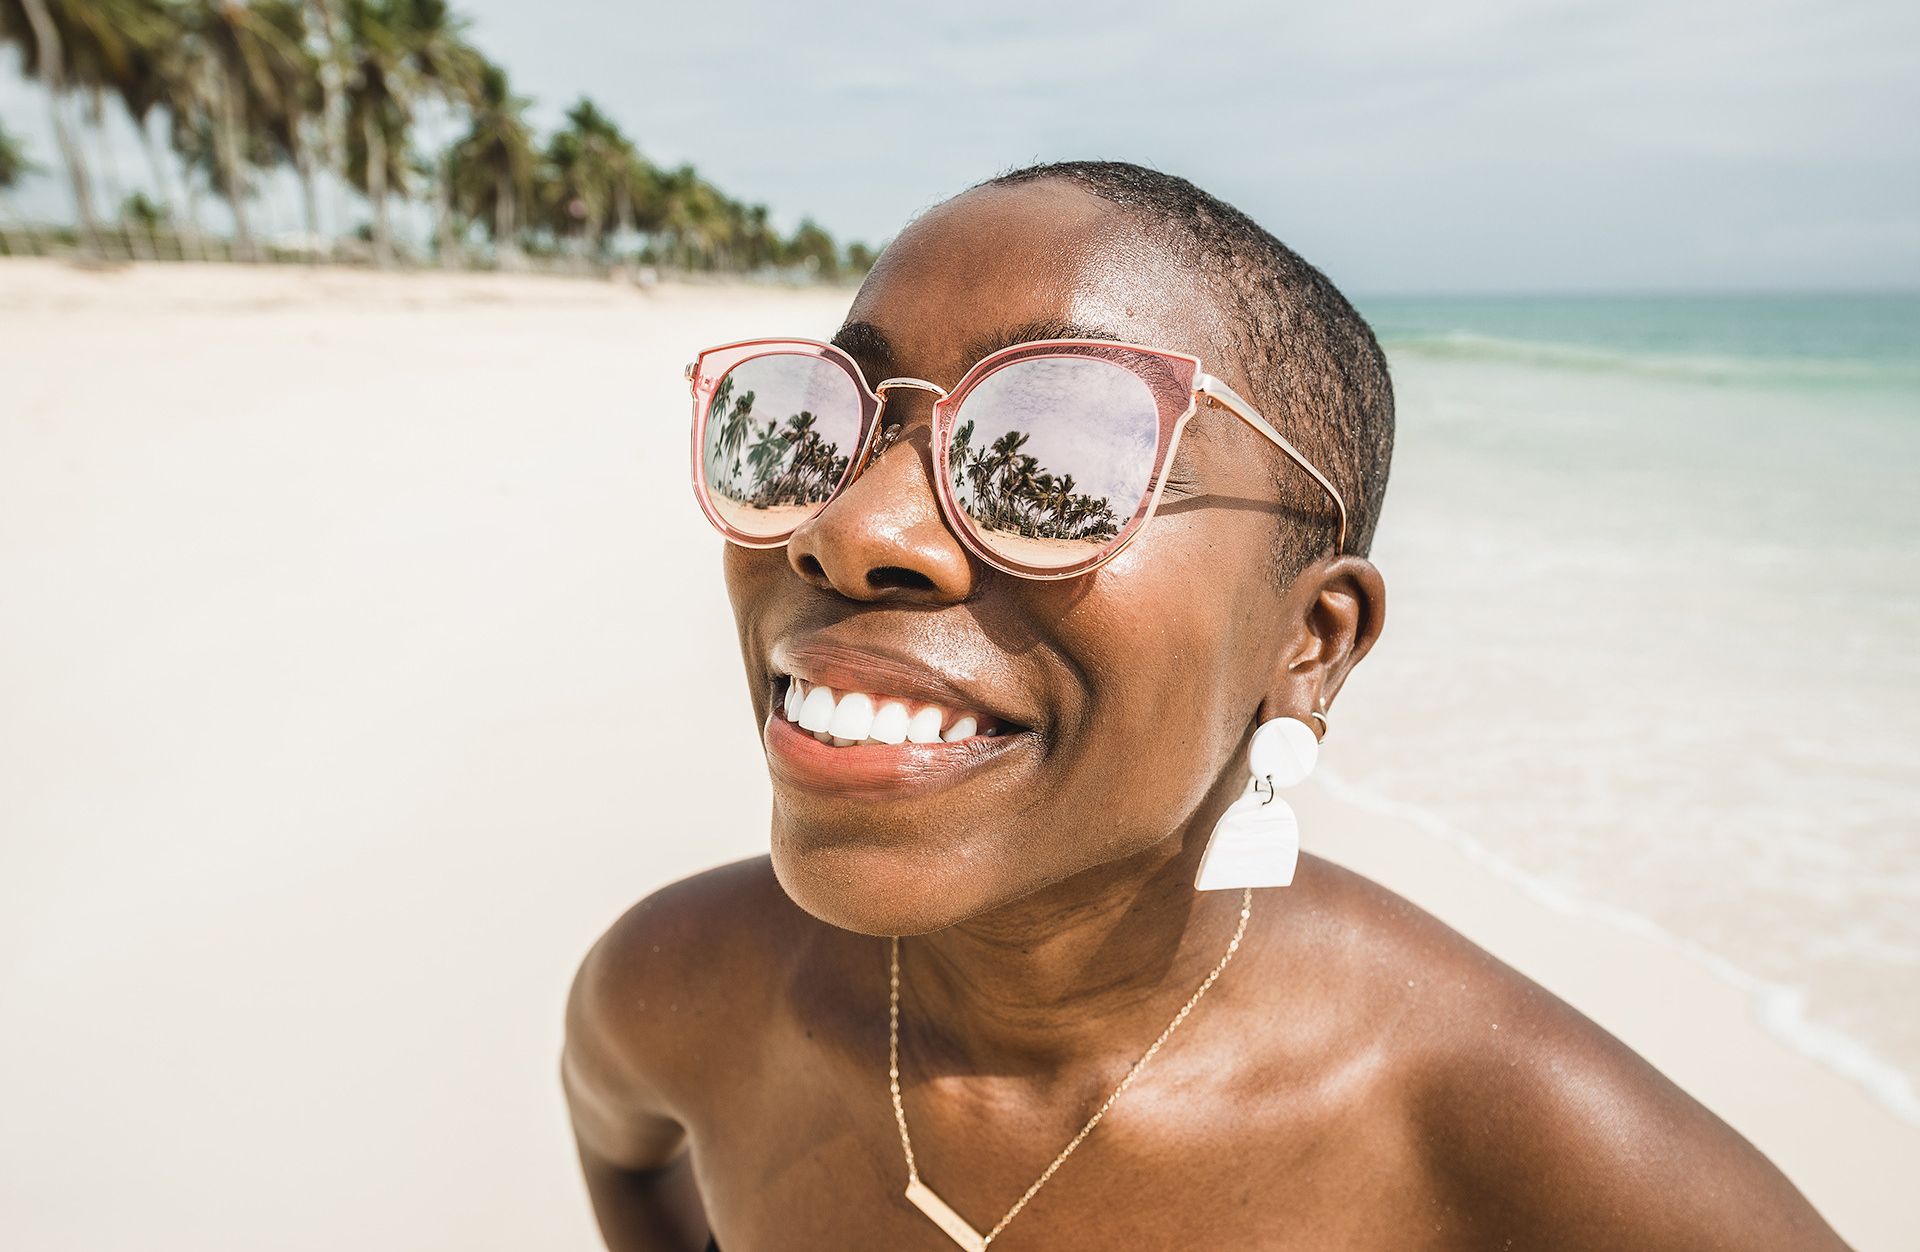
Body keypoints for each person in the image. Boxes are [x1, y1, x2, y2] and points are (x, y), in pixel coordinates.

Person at [562, 162, 1849, 1251]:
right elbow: (624, 1158)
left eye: (1053, 459)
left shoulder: (1527, 1159)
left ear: (1311, 642)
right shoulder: (680, 994)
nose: (853, 528)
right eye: (819, 429)